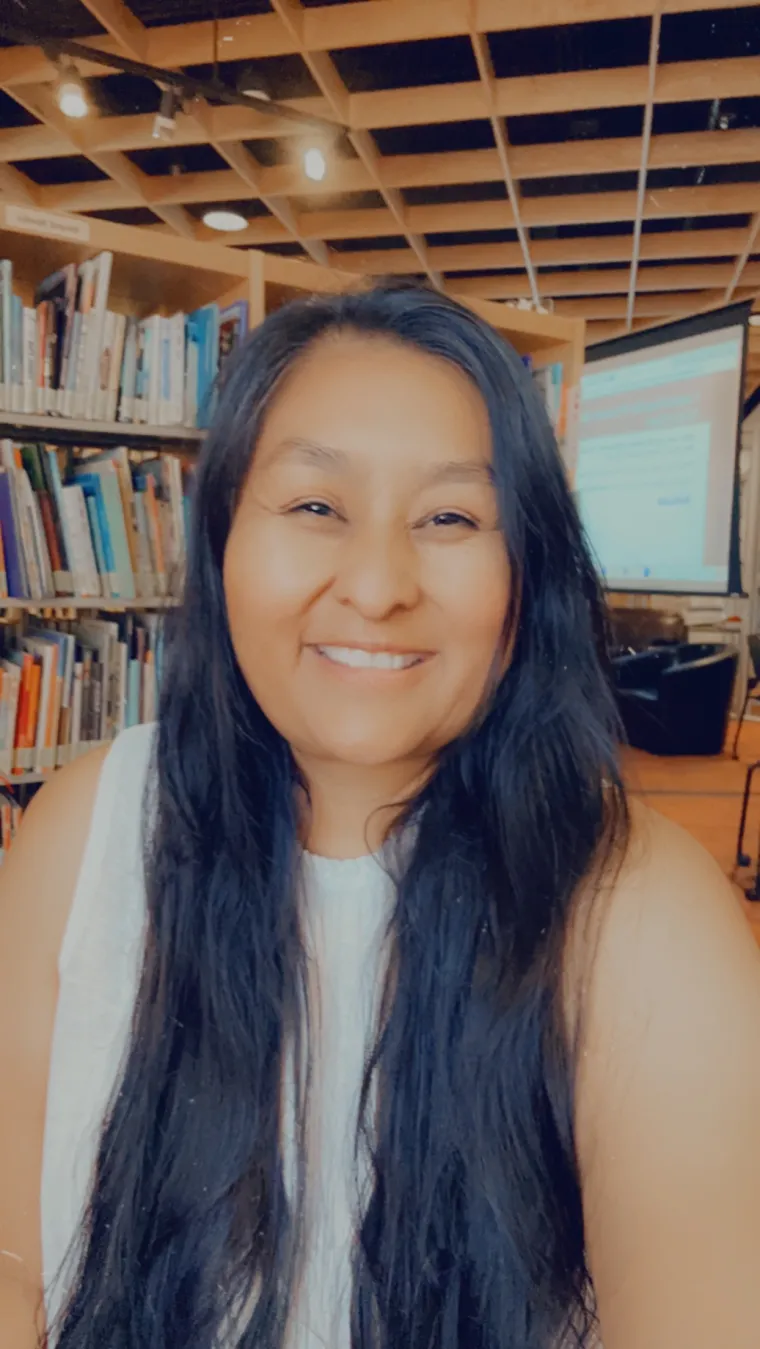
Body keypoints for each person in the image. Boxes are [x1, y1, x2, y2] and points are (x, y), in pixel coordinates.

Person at [0, 284, 758, 1349]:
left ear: (524, 570)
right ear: (220, 537)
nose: (377, 583)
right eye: (316, 506)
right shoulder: (83, 834)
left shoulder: (639, 916)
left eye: (449, 517)